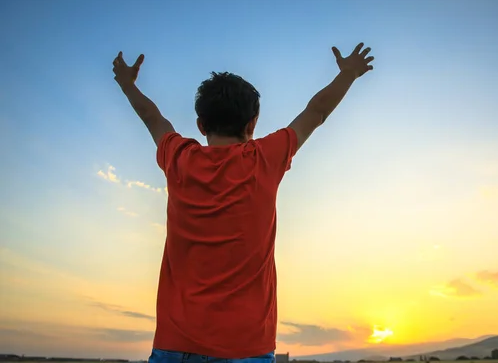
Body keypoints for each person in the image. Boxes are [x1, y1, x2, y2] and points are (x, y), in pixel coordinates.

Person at [112, 43, 374, 363]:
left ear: (201, 125)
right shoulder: (265, 158)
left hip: (175, 343)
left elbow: (153, 118)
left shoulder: (178, 157)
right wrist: (347, 75)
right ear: (252, 124)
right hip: (246, 347)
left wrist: (127, 84)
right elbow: (315, 113)